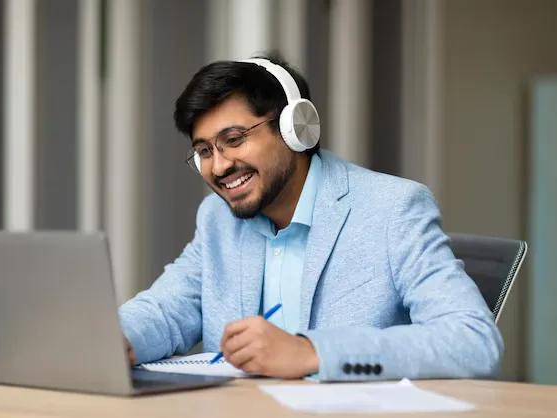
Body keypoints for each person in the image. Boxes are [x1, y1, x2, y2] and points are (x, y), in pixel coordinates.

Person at [118, 52, 503, 381]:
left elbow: (472, 339)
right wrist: (115, 340)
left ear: (295, 128)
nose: (218, 166)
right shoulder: (218, 218)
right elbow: (167, 310)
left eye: (234, 140)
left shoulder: (393, 208)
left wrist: (310, 352)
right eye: (204, 151)